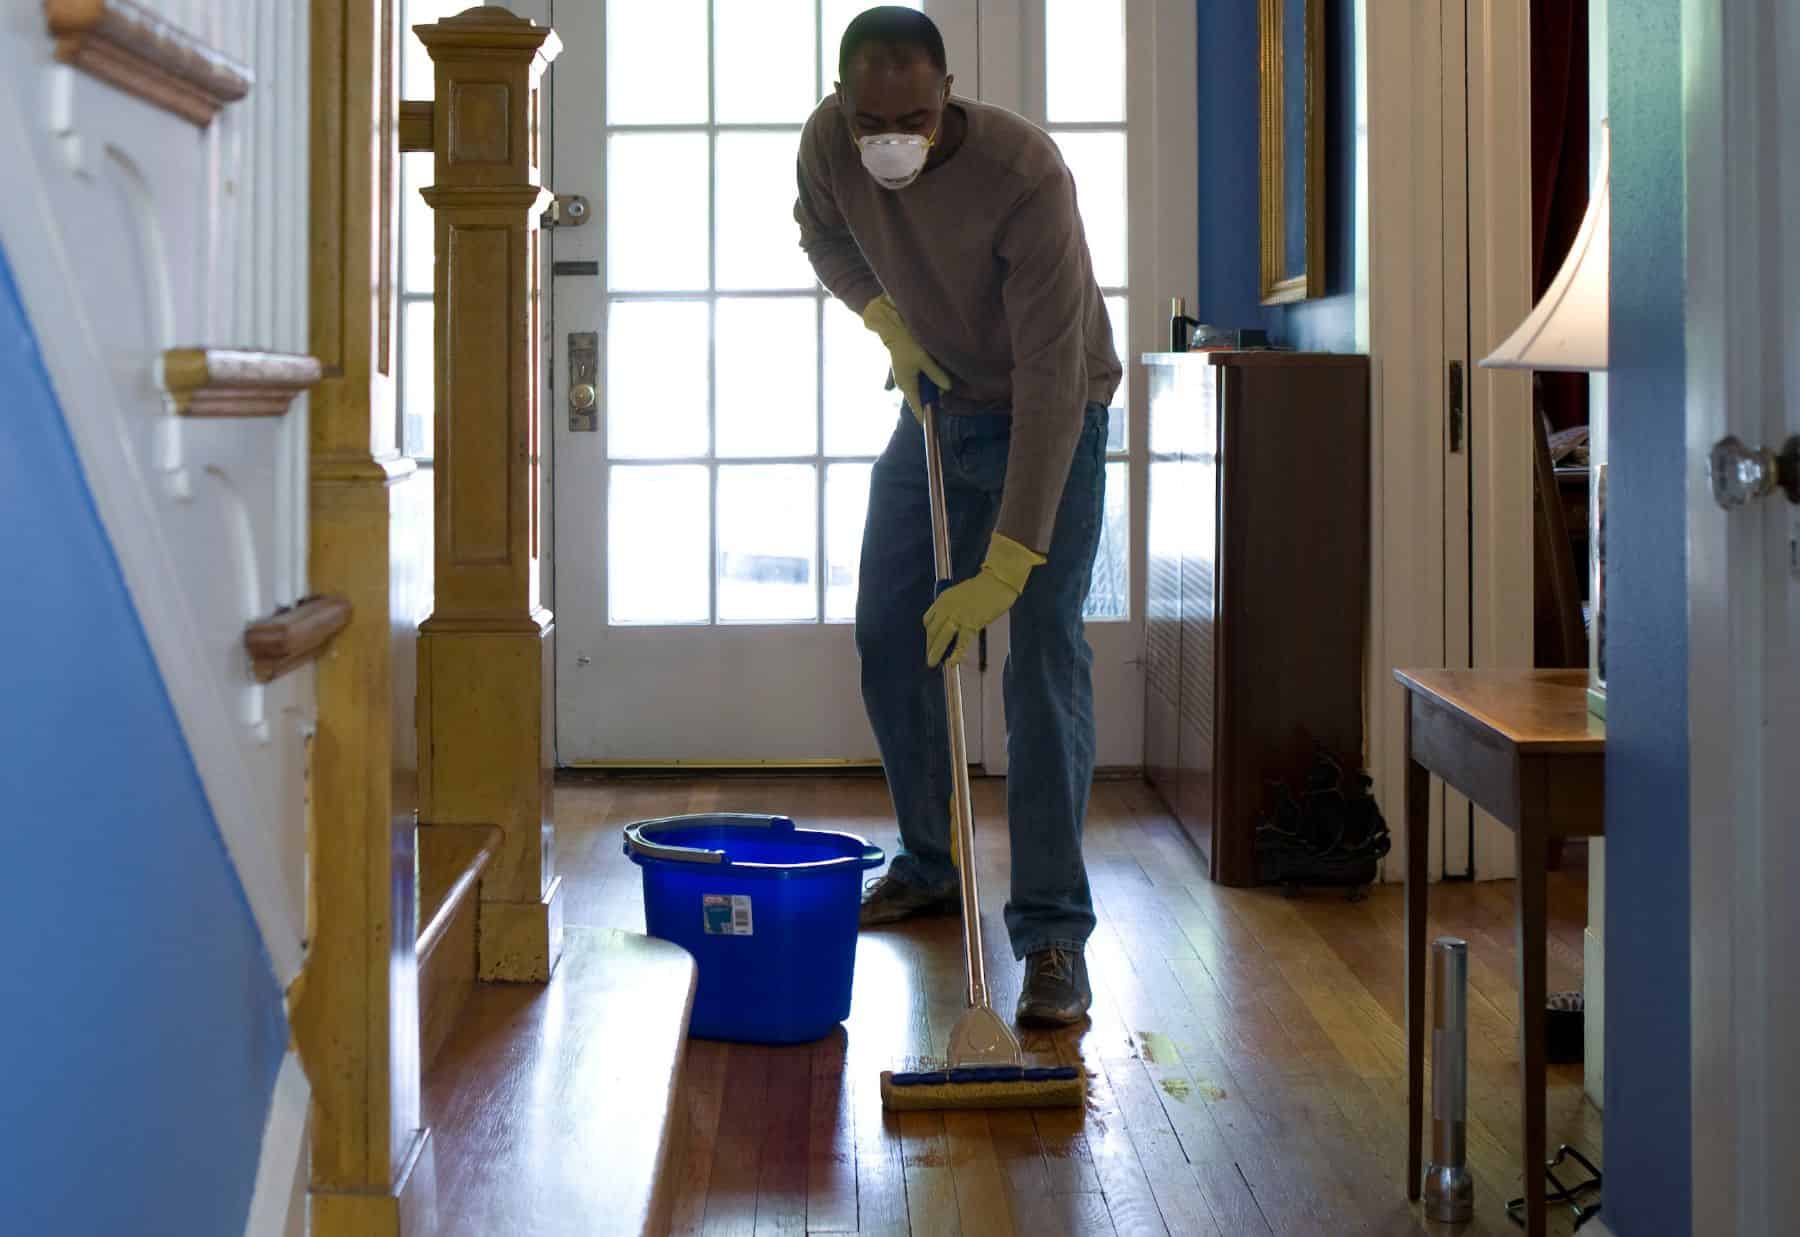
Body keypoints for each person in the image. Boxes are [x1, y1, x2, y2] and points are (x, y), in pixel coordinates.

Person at [794, 6, 1120, 1027]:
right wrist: (885, 321)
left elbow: (1053, 381)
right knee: (891, 631)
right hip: (935, 413)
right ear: (845, 103)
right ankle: (931, 865)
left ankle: (1055, 934)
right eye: (873, 118)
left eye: (916, 117)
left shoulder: (1024, 175)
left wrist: (1011, 559)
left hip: (1051, 417)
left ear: (947, 98)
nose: (894, 137)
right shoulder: (827, 143)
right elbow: (822, 231)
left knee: (1040, 661)